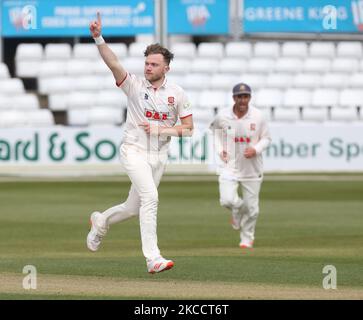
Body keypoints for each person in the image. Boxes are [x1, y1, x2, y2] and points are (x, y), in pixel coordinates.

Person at [86, 13, 194, 273]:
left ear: (166, 67)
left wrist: (161, 129)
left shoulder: (177, 94)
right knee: (151, 198)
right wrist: (98, 38)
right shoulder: (134, 85)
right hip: (133, 150)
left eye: (154, 64)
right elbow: (114, 65)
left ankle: (100, 220)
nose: (148, 68)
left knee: (133, 208)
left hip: (158, 156)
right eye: (147, 63)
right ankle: (153, 258)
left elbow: (188, 130)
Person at [210, 83, 271, 249]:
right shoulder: (223, 116)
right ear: (234, 98)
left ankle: (246, 238)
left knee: (253, 210)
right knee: (227, 200)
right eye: (239, 96)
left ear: (250, 98)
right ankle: (237, 211)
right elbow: (214, 133)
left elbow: (266, 138)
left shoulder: (259, 116)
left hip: (252, 167)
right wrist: (221, 150)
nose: (242, 100)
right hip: (229, 165)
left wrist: (256, 149)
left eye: (245, 96)